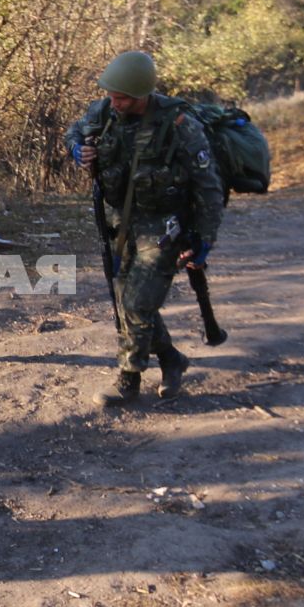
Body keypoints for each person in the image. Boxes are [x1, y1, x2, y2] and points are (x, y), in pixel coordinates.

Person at [64, 51, 224, 408]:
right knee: (128, 303)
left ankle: (128, 378)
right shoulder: (103, 113)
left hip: (164, 226)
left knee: (137, 302)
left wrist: (205, 238)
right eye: (111, 94)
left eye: (121, 97)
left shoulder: (180, 124)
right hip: (120, 223)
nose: (113, 101)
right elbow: (74, 132)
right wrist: (77, 149)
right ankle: (171, 360)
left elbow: (209, 186)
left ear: (141, 95)